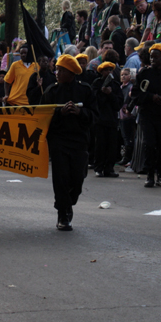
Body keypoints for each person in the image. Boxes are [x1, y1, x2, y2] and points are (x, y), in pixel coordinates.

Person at [42, 54, 98, 230]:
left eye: (61, 70)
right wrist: (60, 114)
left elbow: (95, 116)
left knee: (77, 178)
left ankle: (69, 202)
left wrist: (80, 113)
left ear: (71, 72)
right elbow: (42, 119)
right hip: (59, 141)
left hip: (79, 141)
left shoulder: (85, 91)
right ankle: (62, 213)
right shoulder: (51, 92)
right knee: (61, 178)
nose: (56, 73)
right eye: (56, 69)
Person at [130, 43, 161, 188]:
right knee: (149, 144)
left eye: (156, 57)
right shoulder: (144, 74)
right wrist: (151, 97)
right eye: (151, 57)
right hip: (147, 114)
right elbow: (136, 94)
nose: (153, 60)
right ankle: (150, 175)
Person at [92, 61, 123, 177]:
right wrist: (102, 93)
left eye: (110, 70)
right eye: (106, 70)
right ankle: (98, 167)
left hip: (112, 120)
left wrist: (110, 94)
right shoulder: (97, 83)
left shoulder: (115, 85)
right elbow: (94, 100)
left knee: (112, 146)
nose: (109, 72)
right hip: (100, 120)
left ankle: (109, 168)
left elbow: (118, 103)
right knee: (100, 145)